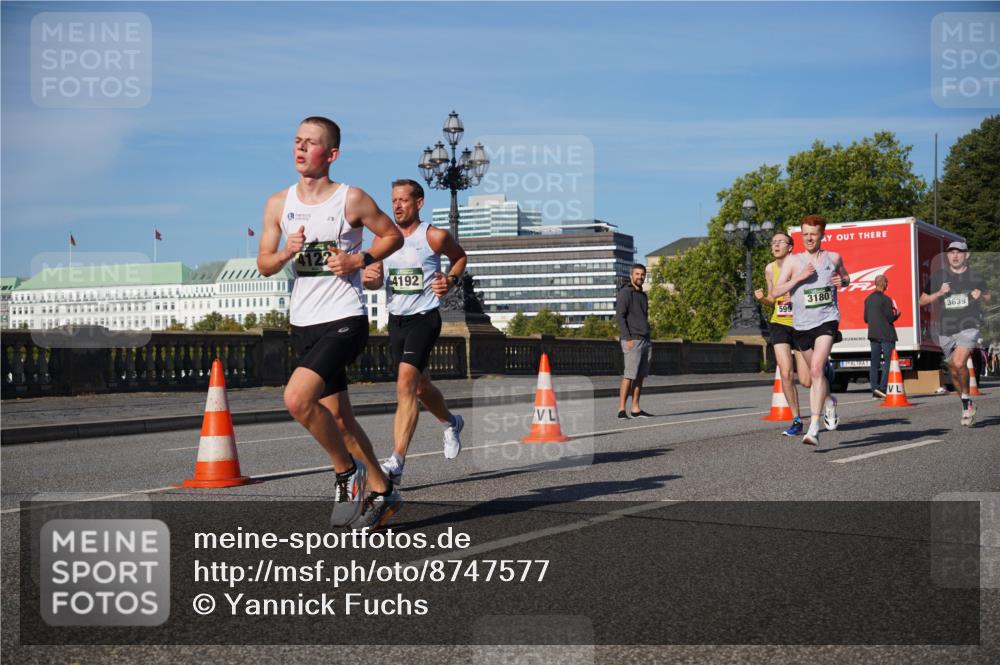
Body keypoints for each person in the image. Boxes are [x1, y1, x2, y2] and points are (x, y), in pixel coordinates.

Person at [257, 116, 404, 528]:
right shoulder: (278, 204)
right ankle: (383, 490)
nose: (300, 149)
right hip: (303, 323)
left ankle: (345, 472)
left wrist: (360, 259)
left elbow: (392, 235)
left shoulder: (350, 199)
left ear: (332, 154)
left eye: (311, 143)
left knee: (296, 399)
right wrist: (287, 253)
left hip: (345, 318)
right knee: (339, 419)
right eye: (297, 141)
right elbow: (264, 264)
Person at [362, 179, 467, 486]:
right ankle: (451, 422)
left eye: (403, 200)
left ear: (419, 203)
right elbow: (372, 280)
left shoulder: (433, 235)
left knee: (405, 384)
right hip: (396, 321)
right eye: (393, 200)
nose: (396, 205)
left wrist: (450, 280)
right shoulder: (384, 238)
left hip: (425, 318)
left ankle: (396, 461)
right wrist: (370, 277)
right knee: (420, 387)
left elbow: (459, 257)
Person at [772, 214, 850, 446]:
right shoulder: (793, 262)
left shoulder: (833, 257)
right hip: (801, 325)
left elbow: (845, 277)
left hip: (827, 320)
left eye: (813, 234)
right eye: (804, 234)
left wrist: (842, 282)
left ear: (822, 235)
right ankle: (829, 402)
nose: (808, 238)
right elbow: (776, 292)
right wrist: (799, 278)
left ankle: (814, 426)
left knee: (816, 368)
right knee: (811, 378)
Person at [919, 241, 991, 426]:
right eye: (951, 252)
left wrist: (980, 296)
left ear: (966, 255)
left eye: (959, 252)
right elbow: (922, 301)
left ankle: (966, 401)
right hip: (946, 328)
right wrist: (939, 293)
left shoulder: (975, 276)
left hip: (969, 324)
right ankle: (966, 401)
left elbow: (989, 297)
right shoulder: (939, 276)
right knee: (952, 367)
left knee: (959, 362)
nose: (955, 255)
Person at [755, 231, 811, 436]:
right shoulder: (769, 269)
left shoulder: (799, 265)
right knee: (786, 372)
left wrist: (795, 298)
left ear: (790, 247)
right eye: (773, 242)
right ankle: (796, 420)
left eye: (781, 242)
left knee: (806, 380)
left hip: (801, 324)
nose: (776, 245)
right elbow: (773, 298)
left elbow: (810, 293)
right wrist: (763, 299)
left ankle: (825, 373)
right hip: (779, 323)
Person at [616, 264, 653, 419]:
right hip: (633, 340)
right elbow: (620, 316)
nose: (640, 277)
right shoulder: (625, 293)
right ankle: (621, 409)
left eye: (643, 274)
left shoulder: (643, 295)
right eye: (637, 274)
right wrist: (627, 338)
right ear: (631, 275)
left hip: (645, 340)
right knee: (629, 375)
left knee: (640, 376)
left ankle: (636, 408)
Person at [863, 274, 900, 399]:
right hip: (886, 334)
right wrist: (897, 314)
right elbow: (890, 318)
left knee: (874, 363)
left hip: (873, 334)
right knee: (888, 362)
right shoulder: (886, 299)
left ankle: (874, 389)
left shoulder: (867, 299)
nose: (887, 285)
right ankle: (883, 388)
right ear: (883, 284)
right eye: (887, 283)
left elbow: (866, 319)